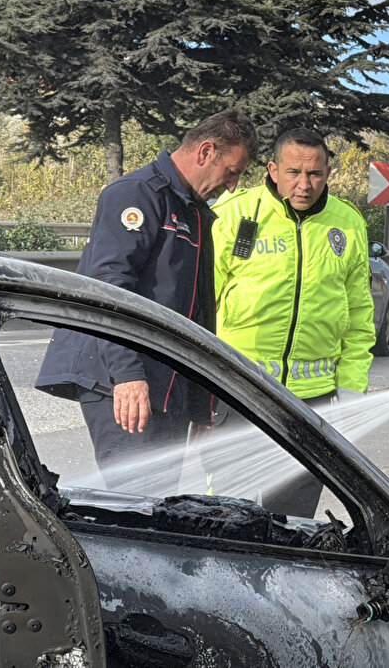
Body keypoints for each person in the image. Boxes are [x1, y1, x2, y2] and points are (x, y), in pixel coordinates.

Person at [36, 109, 258, 495]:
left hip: (166, 385)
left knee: (157, 503)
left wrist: (201, 403)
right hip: (120, 378)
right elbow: (108, 289)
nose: (233, 186)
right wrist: (127, 375)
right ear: (206, 152)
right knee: (133, 502)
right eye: (233, 171)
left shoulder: (195, 212)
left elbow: (199, 313)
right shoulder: (137, 194)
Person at [208, 127, 374, 516]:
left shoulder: (348, 223)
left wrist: (351, 389)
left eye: (315, 174)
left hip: (311, 401)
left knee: (294, 523)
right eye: (294, 173)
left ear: (329, 172)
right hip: (239, 393)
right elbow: (201, 306)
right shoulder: (233, 215)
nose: (304, 184)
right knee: (227, 516)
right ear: (272, 169)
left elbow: (359, 315)